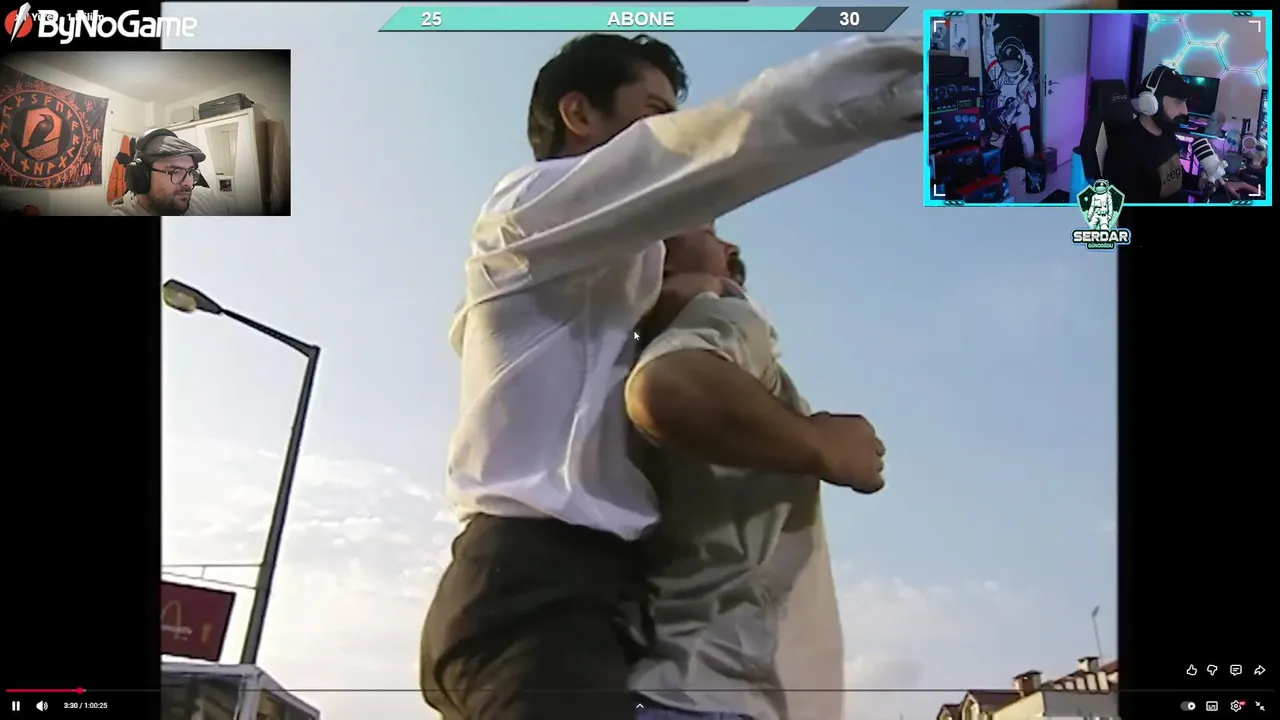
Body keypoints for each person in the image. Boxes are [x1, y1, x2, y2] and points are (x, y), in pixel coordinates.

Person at [421, 31, 919, 720]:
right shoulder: (528, 208)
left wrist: (701, 280)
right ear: (579, 113)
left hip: (579, 599)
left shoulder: (601, 285)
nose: (670, 137)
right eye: (656, 114)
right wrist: (961, 76)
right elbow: (746, 133)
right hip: (535, 587)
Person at [626, 225, 883, 720]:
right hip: (720, 699)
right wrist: (823, 445)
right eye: (710, 230)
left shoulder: (617, 357)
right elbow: (667, 387)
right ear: (662, 256)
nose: (732, 247)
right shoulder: (723, 313)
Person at [1101, 65, 1257, 202]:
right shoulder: (1125, 149)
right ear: (1151, 103)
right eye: (1178, 102)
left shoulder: (1166, 134)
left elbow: (1176, 178)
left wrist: (1214, 184)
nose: (1185, 111)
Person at [109, 129, 233, 216]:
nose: (188, 183)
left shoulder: (206, 199)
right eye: (176, 171)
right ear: (142, 177)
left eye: (190, 171)